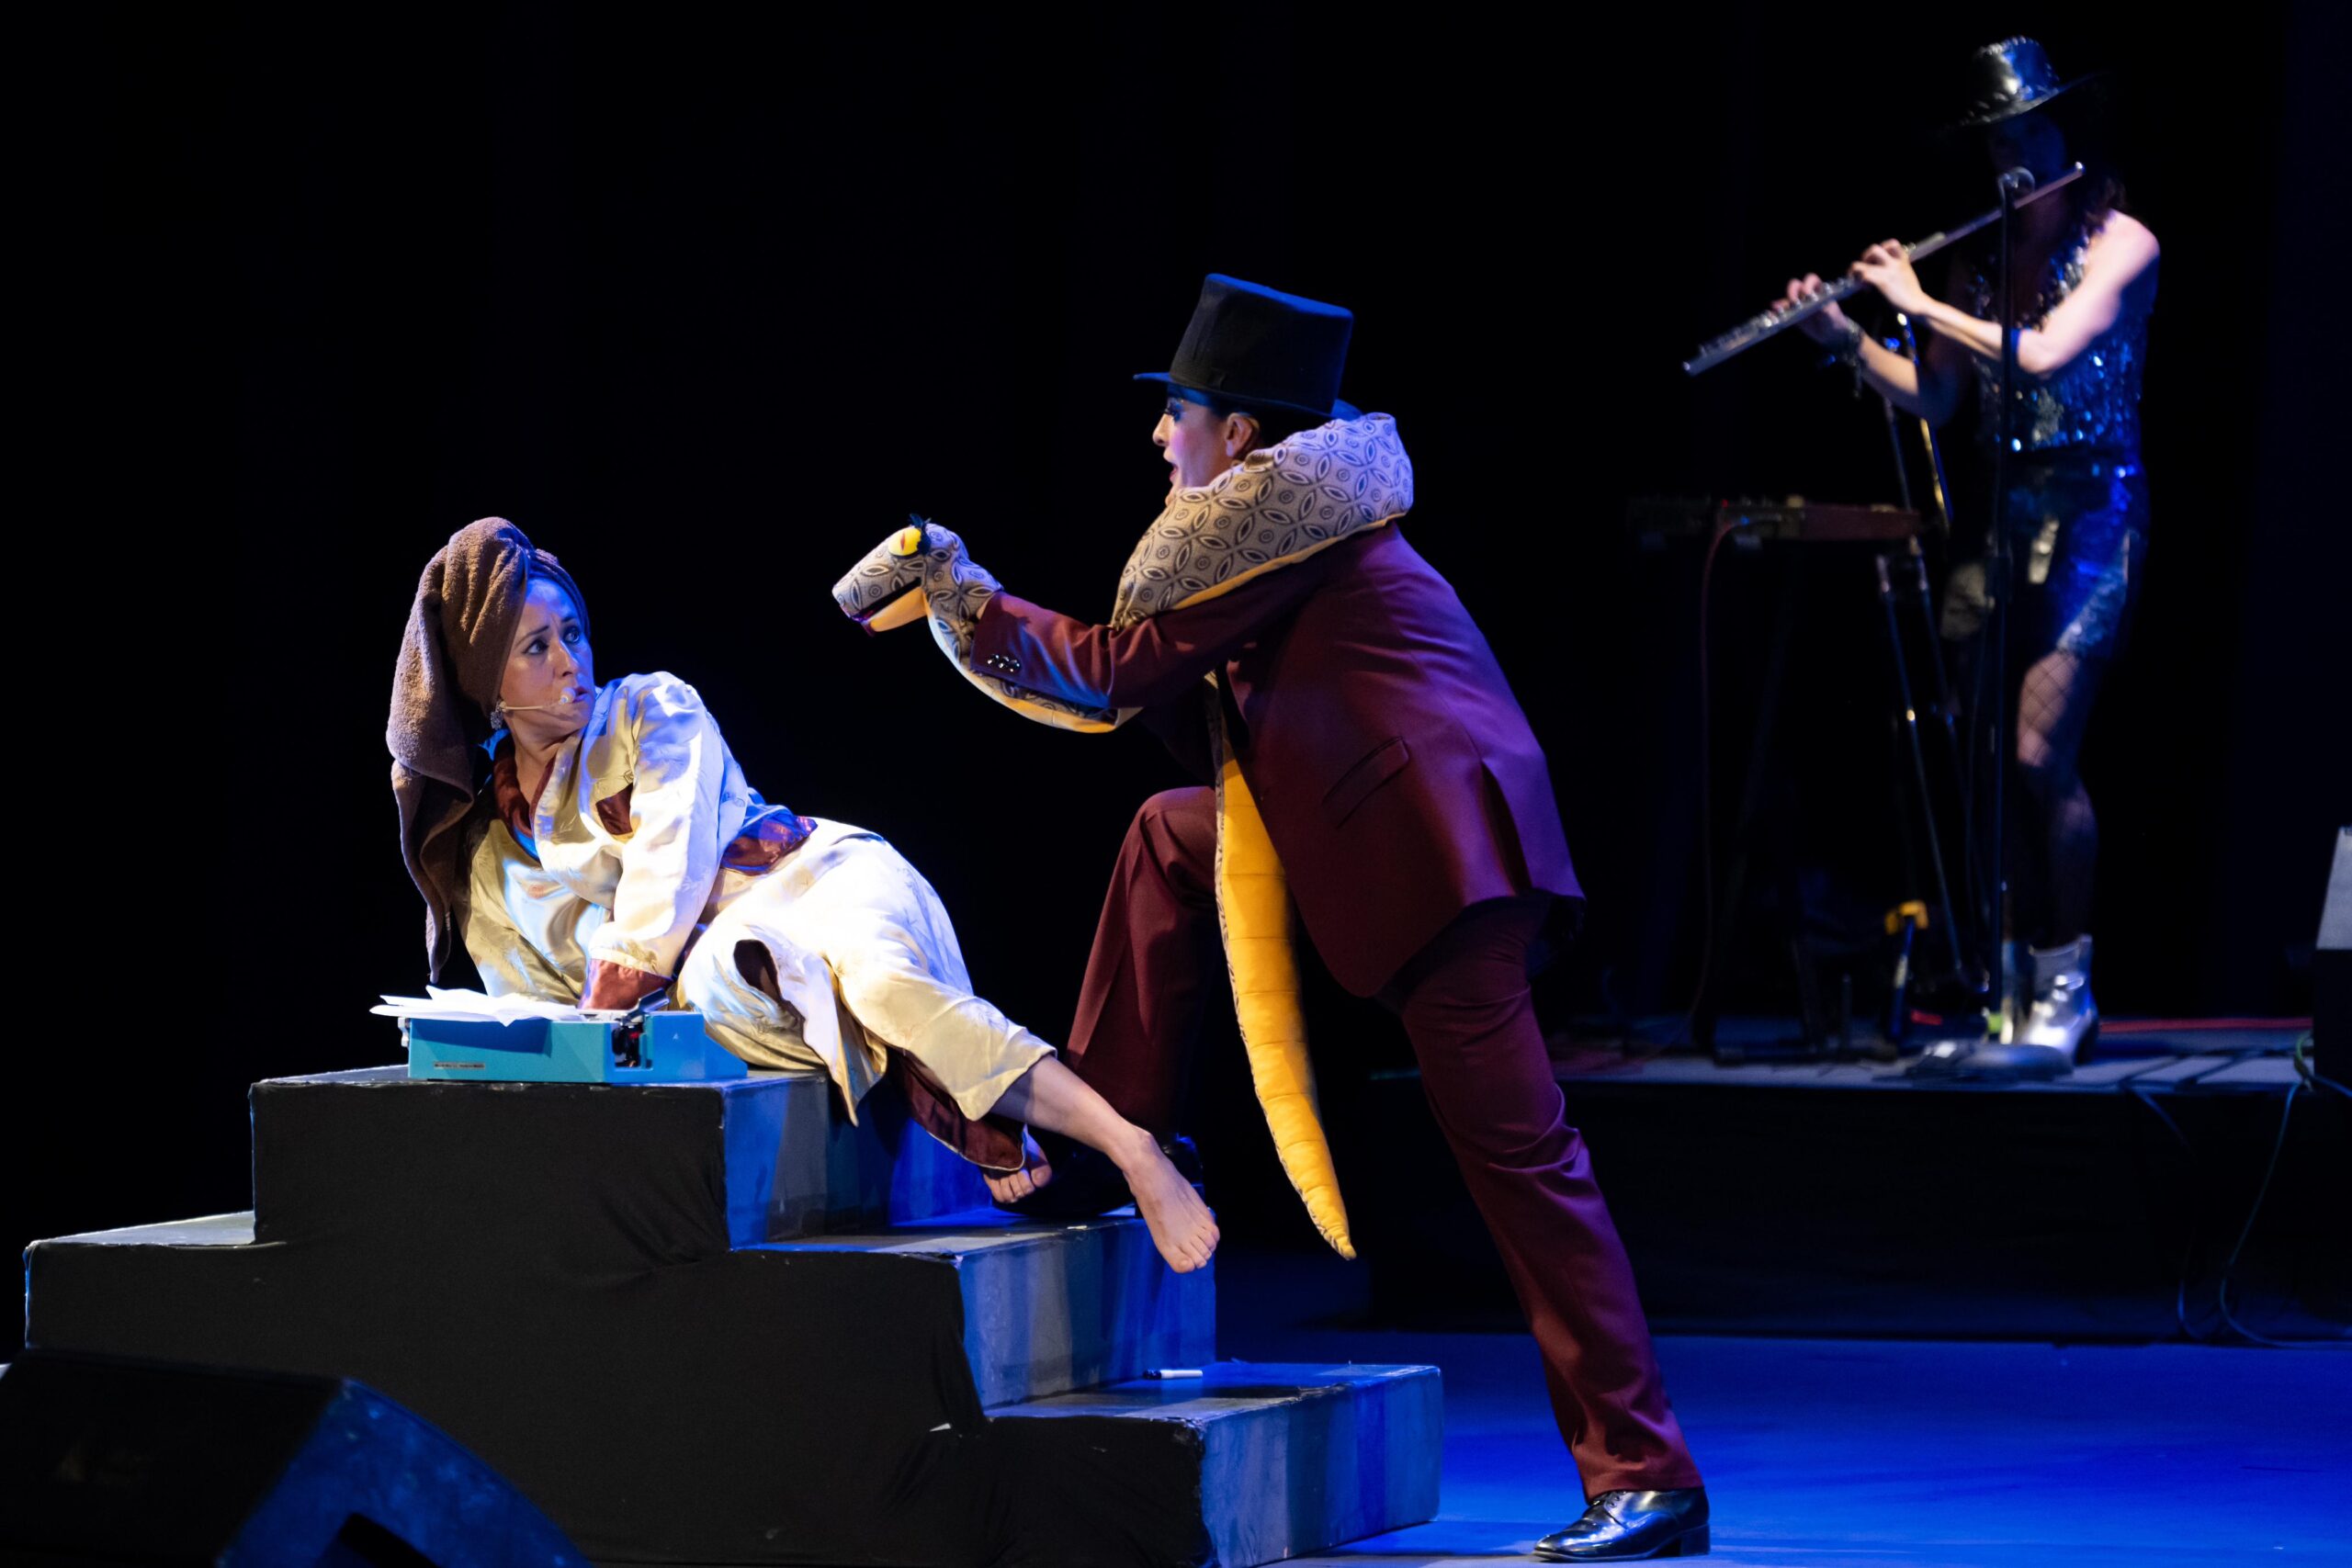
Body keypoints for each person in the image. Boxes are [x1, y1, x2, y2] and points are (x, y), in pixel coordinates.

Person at [886, 276, 1708, 1562]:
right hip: (1366, 831)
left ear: (1246, 440)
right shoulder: (1287, 521)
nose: (1163, 438)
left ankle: (1648, 1474)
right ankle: (1115, 1121)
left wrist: (960, 591)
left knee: (1526, 1166)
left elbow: (1111, 670)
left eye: (1184, 414)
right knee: (1168, 832)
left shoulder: (1280, 526)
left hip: (1438, 856)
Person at [385, 517, 1218, 1273]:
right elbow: (526, 992)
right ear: (485, 680)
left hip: (810, 880)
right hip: (716, 972)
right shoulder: (492, 846)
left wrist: (610, 1000)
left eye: (571, 632)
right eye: (535, 647)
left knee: (878, 980)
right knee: (721, 981)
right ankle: (981, 1112)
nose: (570, 659)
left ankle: (1130, 1147)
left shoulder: (650, 707)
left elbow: (668, 871)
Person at [1780, 37, 2156, 1067]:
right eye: (1995, 140)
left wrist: (1917, 305)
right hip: (2003, 522)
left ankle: (2068, 991)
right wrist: (1849, 343)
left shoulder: (2124, 243)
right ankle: (2011, 997)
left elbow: (2042, 356)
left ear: (2061, 134)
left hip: (2091, 517)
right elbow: (1942, 399)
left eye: (2028, 131)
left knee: (2041, 756)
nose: (2012, 156)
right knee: (1985, 765)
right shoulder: (1975, 262)